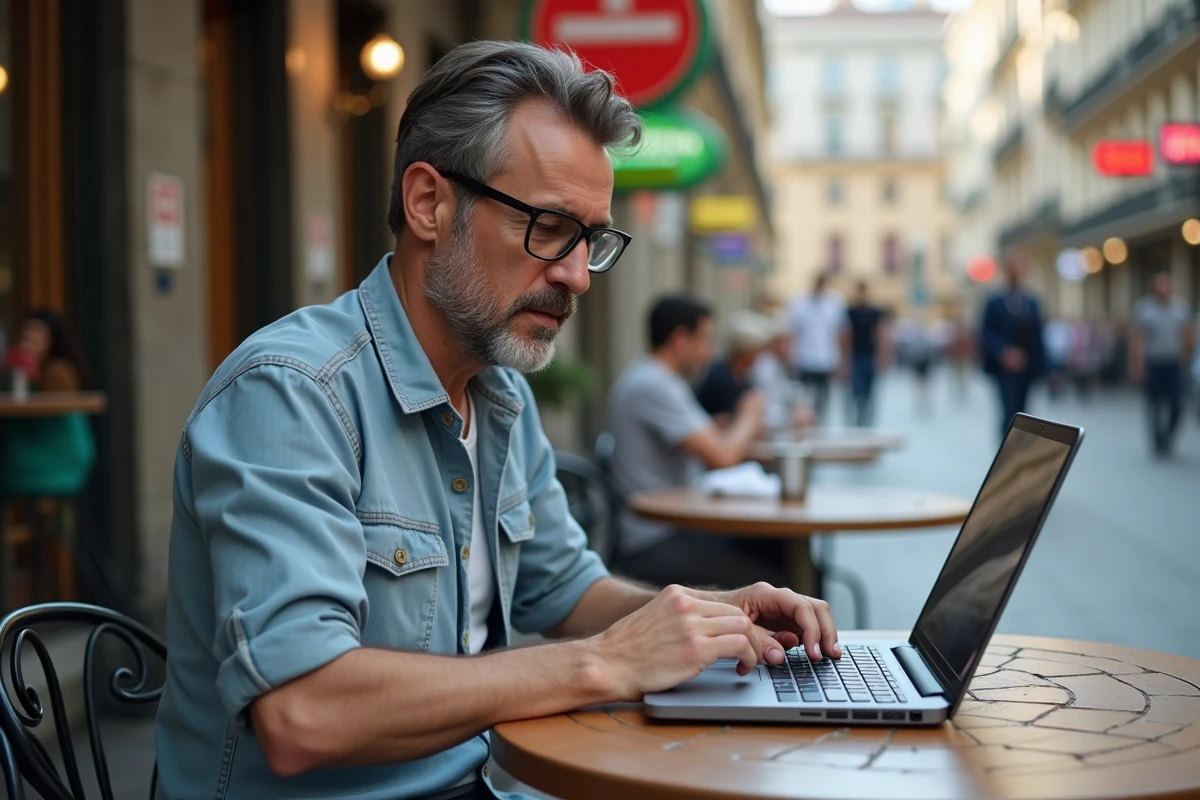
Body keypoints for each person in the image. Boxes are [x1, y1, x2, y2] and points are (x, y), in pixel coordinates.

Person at [155, 42, 839, 800]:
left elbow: (565, 589)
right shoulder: (292, 393)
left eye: (591, 239)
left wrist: (709, 614)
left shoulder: (498, 391)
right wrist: (605, 662)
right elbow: (303, 710)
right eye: (549, 226)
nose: (576, 275)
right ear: (429, 203)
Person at [606, 295, 788, 590]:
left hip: (675, 526)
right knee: (775, 579)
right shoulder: (654, 384)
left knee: (776, 548)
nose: (708, 352)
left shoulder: (658, 379)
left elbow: (711, 440)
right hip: (654, 540)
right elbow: (723, 456)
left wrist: (723, 428)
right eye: (704, 340)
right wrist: (750, 414)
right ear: (681, 339)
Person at [1130, 271, 1195, 457]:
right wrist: (1137, 365)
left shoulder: (1180, 308)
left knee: (1176, 402)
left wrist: (1187, 355)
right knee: (1154, 403)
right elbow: (1138, 338)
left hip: (1174, 363)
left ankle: (1169, 434)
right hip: (1154, 363)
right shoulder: (1144, 308)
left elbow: (1187, 333)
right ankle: (1157, 439)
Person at [980, 258, 1046, 437]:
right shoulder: (994, 301)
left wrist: (1044, 367)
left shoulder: (1031, 302)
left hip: (1027, 367)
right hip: (1004, 368)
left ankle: (1020, 446)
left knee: (1025, 412)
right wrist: (1003, 352)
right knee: (1009, 412)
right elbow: (986, 333)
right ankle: (1006, 448)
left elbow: (1038, 335)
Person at [695, 310, 776, 423]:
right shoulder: (720, 378)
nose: (759, 357)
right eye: (756, 351)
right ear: (745, 352)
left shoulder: (743, 376)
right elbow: (722, 422)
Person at [786, 273, 845, 422]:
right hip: (804, 358)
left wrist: (842, 360)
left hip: (826, 359)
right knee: (804, 397)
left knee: (823, 398)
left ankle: (820, 422)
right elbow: (792, 332)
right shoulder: (799, 302)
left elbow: (841, 333)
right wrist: (790, 356)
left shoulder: (834, 303)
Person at [841, 281, 889, 427]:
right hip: (855, 356)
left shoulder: (874, 313)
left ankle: (866, 418)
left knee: (869, 390)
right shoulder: (850, 312)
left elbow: (879, 335)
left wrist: (882, 356)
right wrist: (845, 359)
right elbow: (846, 336)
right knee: (855, 389)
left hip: (869, 355)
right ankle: (857, 417)